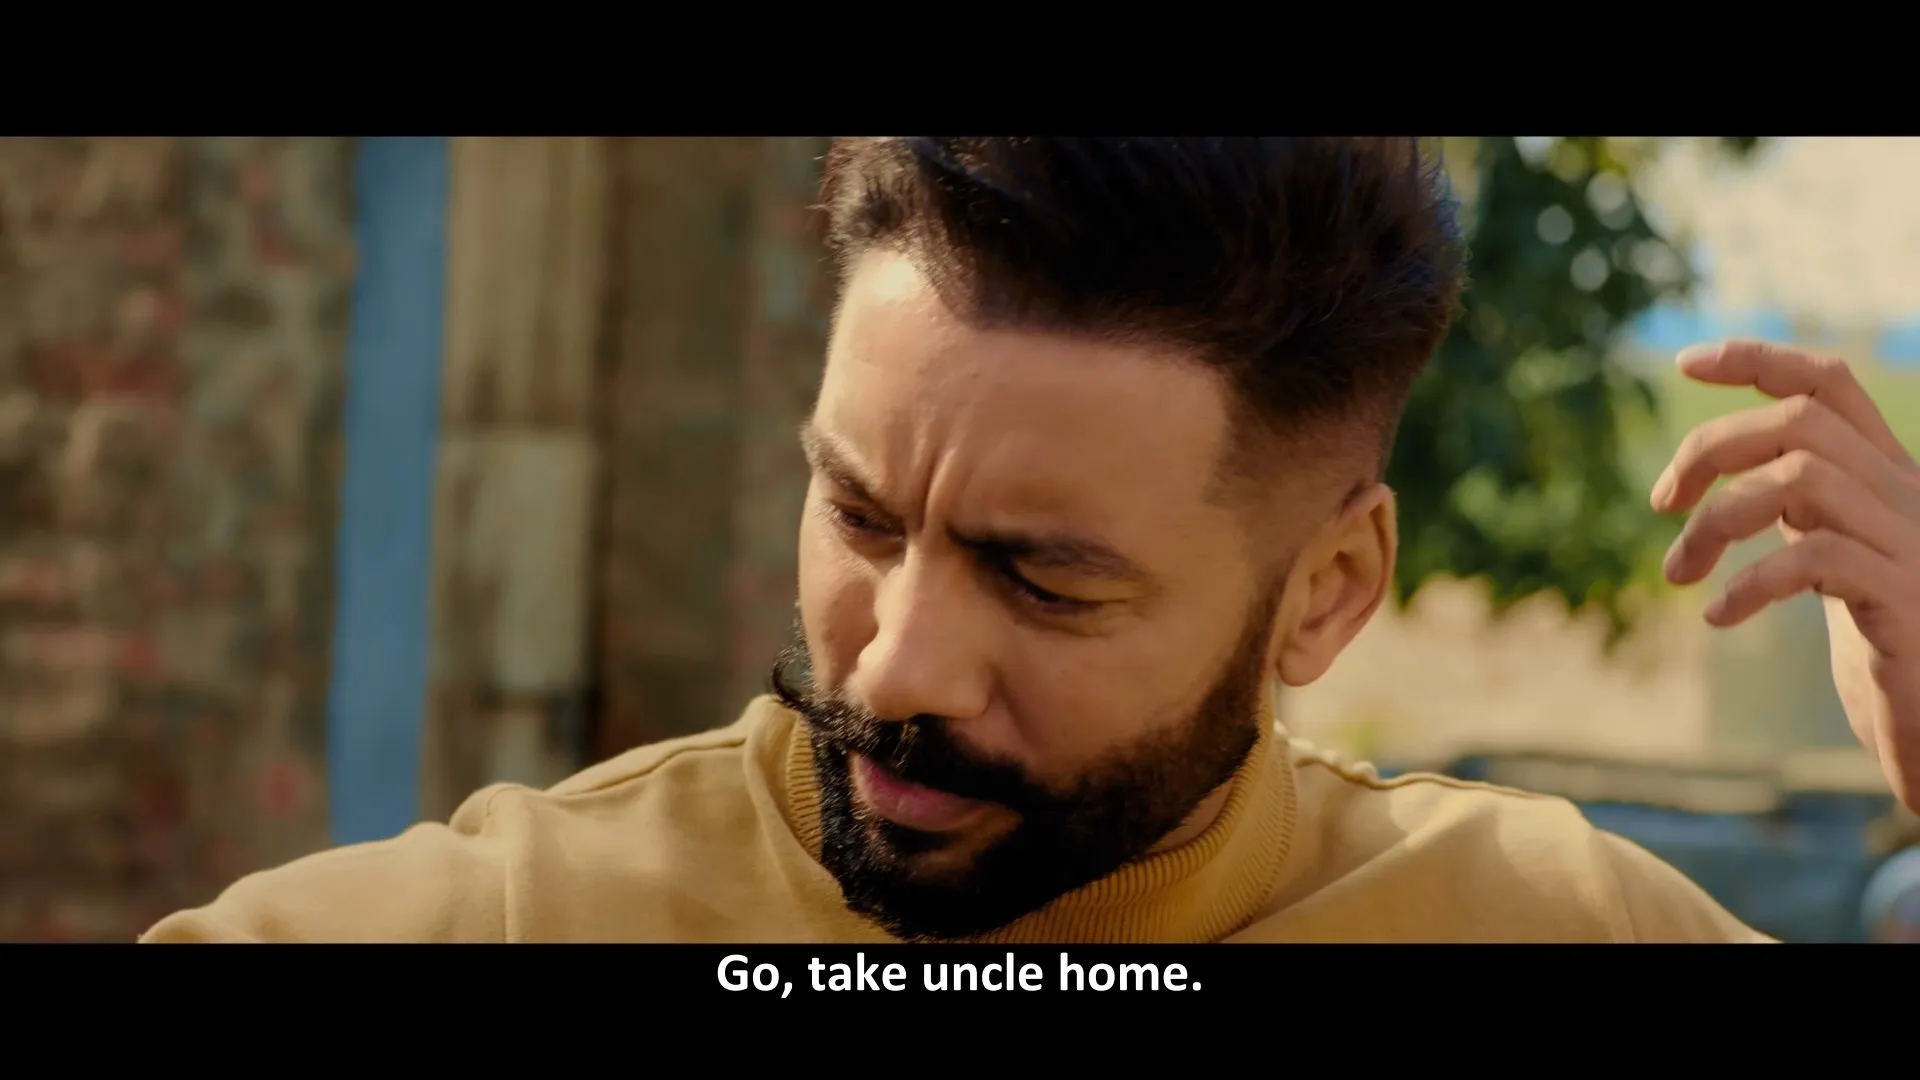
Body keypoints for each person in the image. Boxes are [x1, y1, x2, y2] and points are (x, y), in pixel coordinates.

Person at [140, 137, 1920, 944]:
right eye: (860, 513)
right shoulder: (511, 922)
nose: (897, 665)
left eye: (1044, 577)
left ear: (1327, 594)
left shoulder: (1546, 928)